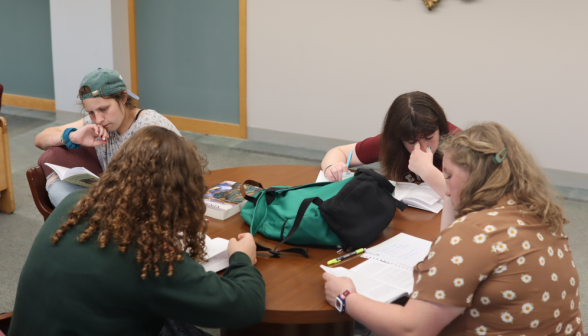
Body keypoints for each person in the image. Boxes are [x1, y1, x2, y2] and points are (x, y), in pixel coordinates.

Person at [322, 122, 583, 336]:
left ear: (473, 175)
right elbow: (446, 240)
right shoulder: (540, 215)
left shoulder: (472, 235)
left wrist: (345, 296)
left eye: (448, 175)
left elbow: (411, 329)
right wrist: (453, 194)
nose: (445, 189)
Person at [10, 127, 265, 336]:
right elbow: (246, 307)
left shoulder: (74, 203)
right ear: (181, 192)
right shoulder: (150, 257)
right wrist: (241, 258)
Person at [34, 68, 181, 207]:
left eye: (104, 109)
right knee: (58, 187)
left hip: (153, 202)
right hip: (117, 197)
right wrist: (71, 136)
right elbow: (40, 139)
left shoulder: (150, 126)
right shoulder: (100, 122)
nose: (98, 119)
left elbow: (169, 186)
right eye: (91, 112)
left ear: (123, 98)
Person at [321, 91, 461, 199]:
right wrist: (331, 167)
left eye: (429, 137)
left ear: (440, 128)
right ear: (398, 137)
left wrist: (427, 170)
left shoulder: (459, 143)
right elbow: (340, 152)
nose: (423, 148)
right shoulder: (391, 142)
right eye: (411, 142)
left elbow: (465, 199)